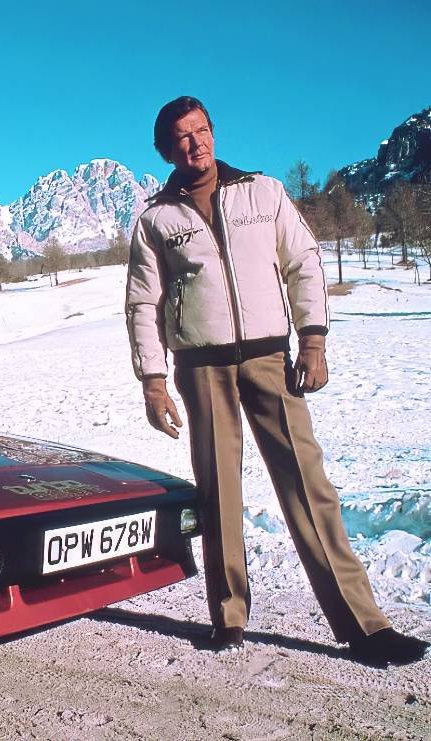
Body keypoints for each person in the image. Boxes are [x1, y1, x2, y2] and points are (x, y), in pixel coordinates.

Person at [124, 95, 428, 665]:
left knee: (309, 488)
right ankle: (229, 616)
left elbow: (303, 262)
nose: (198, 143)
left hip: (271, 359)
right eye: (183, 137)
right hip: (201, 367)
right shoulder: (155, 220)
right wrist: (153, 380)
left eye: (204, 130)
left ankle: (366, 625)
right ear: (167, 151)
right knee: (219, 493)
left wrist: (312, 341)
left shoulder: (262, 192)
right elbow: (144, 303)